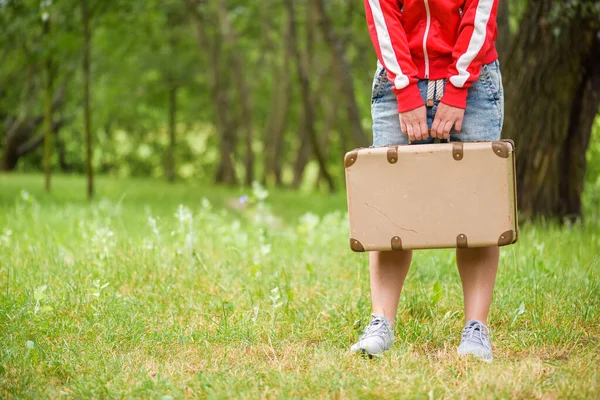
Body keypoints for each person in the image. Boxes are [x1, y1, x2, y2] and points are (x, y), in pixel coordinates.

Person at [351, 0, 503, 362]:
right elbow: (380, 11)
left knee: (476, 207)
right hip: (397, 78)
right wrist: (405, 90)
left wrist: (457, 87)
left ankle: (475, 330)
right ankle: (381, 323)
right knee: (391, 206)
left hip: (473, 79)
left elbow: (481, 10)